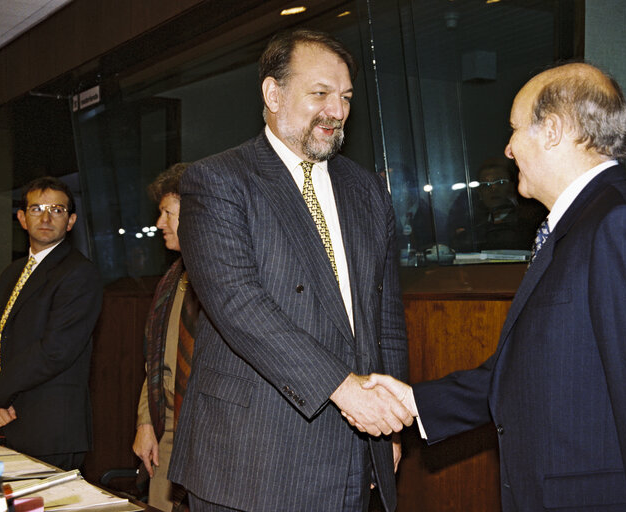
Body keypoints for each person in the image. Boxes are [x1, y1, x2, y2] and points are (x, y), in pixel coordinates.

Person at [362, 62, 626, 511]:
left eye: (514, 129)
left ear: (552, 130)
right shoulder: (580, 225)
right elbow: (524, 373)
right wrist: (414, 402)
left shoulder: (621, 224)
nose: (508, 150)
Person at [168, 29, 411, 512]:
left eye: (344, 97)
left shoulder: (366, 190)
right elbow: (239, 305)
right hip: (249, 456)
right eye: (320, 93)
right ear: (272, 93)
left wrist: (390, 422)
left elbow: (385, 319)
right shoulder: (217, 180)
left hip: (351, 446)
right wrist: (347, 392)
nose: (337, 111)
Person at [0, 176, 102, 470]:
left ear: (71, 221)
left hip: (48, 431)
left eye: (57, 210)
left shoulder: (79, 274)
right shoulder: (12, 272)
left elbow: (55, 350)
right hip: (0, 422)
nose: (46, 217)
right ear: (22, 218)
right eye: (36, 209)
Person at [133, 163, 199, 512]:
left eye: (167, 213)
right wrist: (146, 422)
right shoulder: (172, 280)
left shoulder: (224, 279)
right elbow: (155, 363)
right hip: (167, 430)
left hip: (211, 438)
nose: (159, 223)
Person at [451, 158, 545, 252]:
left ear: (511, 187)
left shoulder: (528, 222)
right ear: (479, 191)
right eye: (486, 185)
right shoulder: (473, 223)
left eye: (500, 182)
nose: (494, 189)